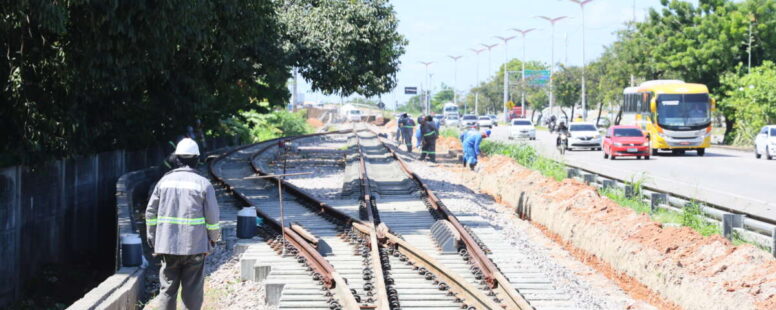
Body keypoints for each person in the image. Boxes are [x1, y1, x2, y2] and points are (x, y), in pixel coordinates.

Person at [146, 138, 221, 310]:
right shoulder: (203, 184)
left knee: (167, 289)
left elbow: (150, 213)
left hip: (167, 246)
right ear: (196, 159)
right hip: (195, 247)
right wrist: (213, 239)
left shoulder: (163, 182)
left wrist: (153, 237)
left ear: (177, 159)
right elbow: (213, 218)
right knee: (192, 289)